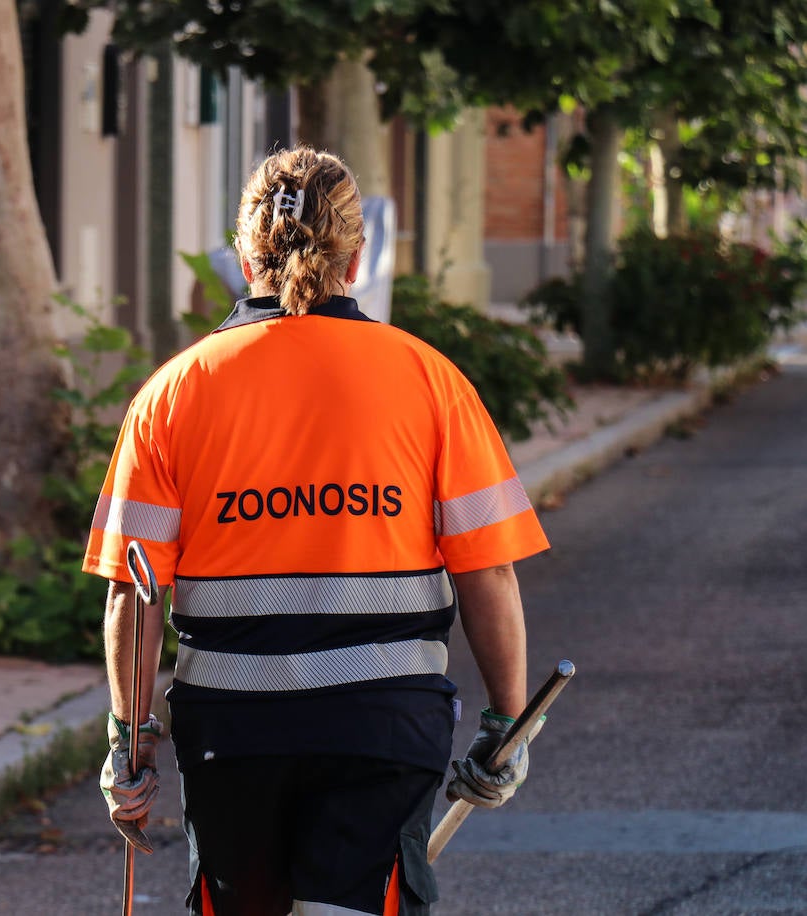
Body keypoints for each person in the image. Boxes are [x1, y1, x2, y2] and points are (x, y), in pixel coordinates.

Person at [84, 145, 550, 916]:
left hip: (232, 733)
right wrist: (508, 723)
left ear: (242, 254)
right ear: (357, 256)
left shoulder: (173, 393)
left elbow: (132, 596)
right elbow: (488, 571)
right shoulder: (430, 379)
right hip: (384, 723)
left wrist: (127, 744)